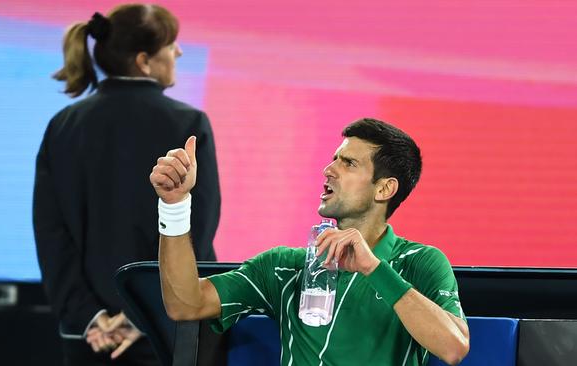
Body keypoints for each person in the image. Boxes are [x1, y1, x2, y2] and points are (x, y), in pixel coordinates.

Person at [150, 118, 470, 365]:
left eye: (348, 163)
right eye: (335, 159)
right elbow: (185, 304)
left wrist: (373, 268)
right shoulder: (283, 266)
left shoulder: (420, 261)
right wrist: (175, 206)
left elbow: (454, 347)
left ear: (384, 189)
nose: (328, 170)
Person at [33, 4, 221, 365]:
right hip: (166, 331)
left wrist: (87, 316)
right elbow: (198, 229)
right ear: (144, 61)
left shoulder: (63, 126)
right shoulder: (188, 124)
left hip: (90, 337)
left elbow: (51, 233)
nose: (179, 52)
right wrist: (143, 313)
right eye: (171, 45)